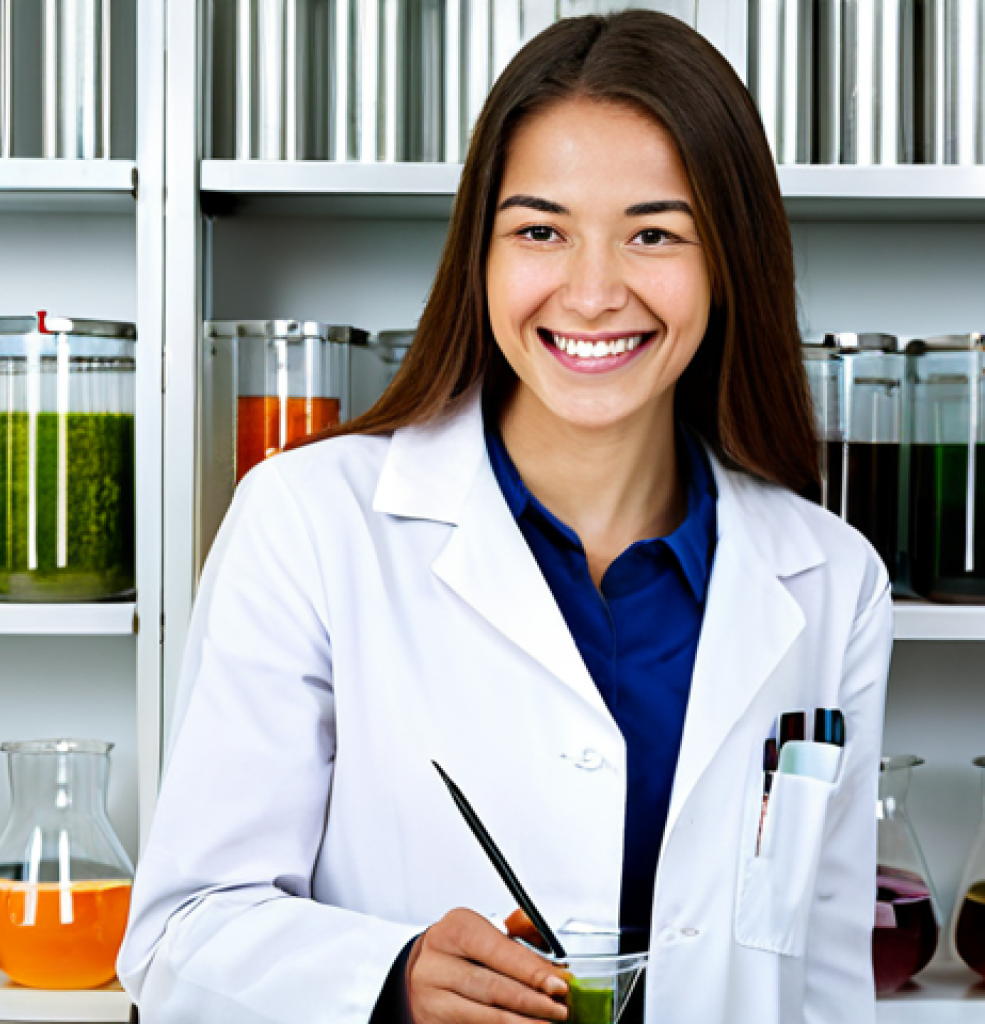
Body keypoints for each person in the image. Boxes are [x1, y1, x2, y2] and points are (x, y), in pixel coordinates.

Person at [118, 11, 892, 1024]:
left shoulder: (831, 580)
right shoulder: (308, 523)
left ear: (729, 260)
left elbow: (825, 988)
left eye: (653, 233)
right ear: (478, 253)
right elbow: (180, 938)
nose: (593, 290)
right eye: (540, 230)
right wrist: (391, 979)